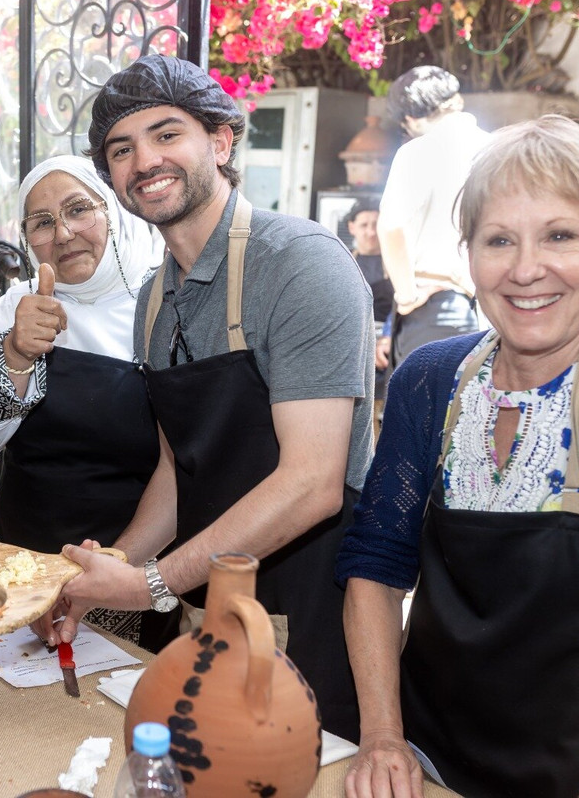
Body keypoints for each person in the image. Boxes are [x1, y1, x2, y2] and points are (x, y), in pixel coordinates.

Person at [37, 54, 375, 743]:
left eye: (167, 135)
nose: (145, 161)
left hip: (314, 610)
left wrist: (151, 584)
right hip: (208, 614)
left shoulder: (301, 263)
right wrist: (112, 573)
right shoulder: (155, 301)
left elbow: (314, 484)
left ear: (221, 142)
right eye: (122, 150)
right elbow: (176, 468)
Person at [338, 114, 579, 798]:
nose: (526, 269)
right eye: (499, 239)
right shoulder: (433, 377)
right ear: (466, 253)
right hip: (426, 760)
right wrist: (383, 738)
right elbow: (377, 568)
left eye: (560, 235)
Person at [0, 155, 161, 552]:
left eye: (78, 210)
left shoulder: (163, 303)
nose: (62, 233)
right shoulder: (14, 309)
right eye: (41, 222)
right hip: (22, 565)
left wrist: (119, 568)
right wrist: (16, 354)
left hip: (132, 568)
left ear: (114, 212)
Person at [377, 65, 489, 370]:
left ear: (410, 118)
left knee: (423, 414)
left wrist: (406, 294)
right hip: (488, 310)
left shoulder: (418, 150)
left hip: (432, 308)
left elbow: (392, 226)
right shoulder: (494, 148)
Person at [346, 199, 394, 424]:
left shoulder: (395, 263)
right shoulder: (342, 260)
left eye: (376, 224)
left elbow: (400, 305)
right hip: (353, 341)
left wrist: (388, 337)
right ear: (351, 227)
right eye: (364, 225)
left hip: (388, 344)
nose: (371, 232)